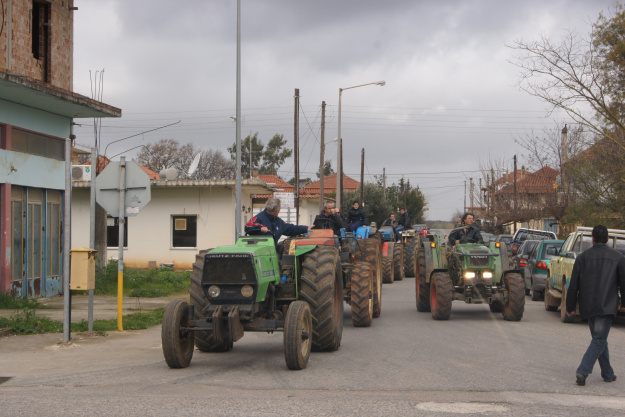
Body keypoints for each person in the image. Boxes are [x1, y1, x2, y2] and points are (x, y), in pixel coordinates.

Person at [566, 225, 625, 386]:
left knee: (599, 339)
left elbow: (573, 285)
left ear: (592, 239)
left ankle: (607, 373)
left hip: (588, 306)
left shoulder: (582, 258)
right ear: (607, 239)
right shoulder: (618, 257)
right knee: (599, 339)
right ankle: (583, 371)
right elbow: (623, 283)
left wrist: (570, 307)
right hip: (607, 306)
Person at [245, 198, 311, 247]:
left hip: (273, 252)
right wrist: (260, 227)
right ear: (276, 210)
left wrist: (306, 228)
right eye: (280, 208)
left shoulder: (278, 222)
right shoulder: (258, 218)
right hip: (260, 252)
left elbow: (291, 228)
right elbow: (248, 226)